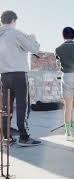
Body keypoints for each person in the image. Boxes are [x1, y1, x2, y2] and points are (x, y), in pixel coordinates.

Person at [0, 10, 42, 146]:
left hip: (4, 76)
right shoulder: (16, 33)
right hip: (18, 75)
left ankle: (6, 138)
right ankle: (24, 137)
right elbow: (35, 49)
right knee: (22, 106)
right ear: (13, 20)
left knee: (6, 107)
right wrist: (33, 38)